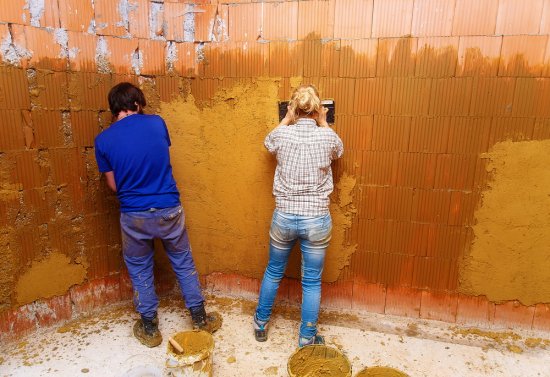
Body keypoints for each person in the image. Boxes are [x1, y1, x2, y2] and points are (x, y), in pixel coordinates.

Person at [94, 82, 220, 348]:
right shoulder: (156, 123)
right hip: (168, 209)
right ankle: (200, 319)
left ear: (114, 109)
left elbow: (113, 185)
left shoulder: (103, 140)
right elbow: (159, 156)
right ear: (137, 104)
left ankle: (150, 328)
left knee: (140, 269)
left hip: (133, 215)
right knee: (183, 262)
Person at [253, 85, 344, 347]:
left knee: (273, 271)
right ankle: (306, 338)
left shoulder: (282, 135)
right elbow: (339, 151)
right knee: (312, 281)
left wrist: (287, 118)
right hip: (316, 218)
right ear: (316, 110)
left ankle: (260, 323)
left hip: (284, 215)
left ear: (293, 108)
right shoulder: (327, 137)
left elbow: (268, 142)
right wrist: (323, 122)